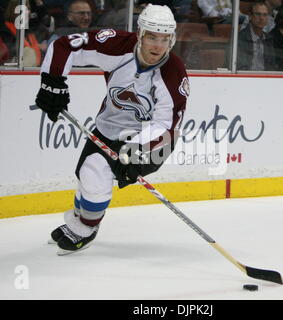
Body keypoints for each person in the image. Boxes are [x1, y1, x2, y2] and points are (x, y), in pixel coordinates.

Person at [35, 4, 189, 255]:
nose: (158, 46)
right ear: (140, 33)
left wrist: (137, 152)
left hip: (152, 141)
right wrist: (53, 82)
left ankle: (86, 227)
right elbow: (65, 46)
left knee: (95, 172)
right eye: (152, 36)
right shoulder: (118, 46)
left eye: (164, 39)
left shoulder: (174, 73)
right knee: (87, 174)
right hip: (107, 128)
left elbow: (167, 126)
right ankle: (78, 217)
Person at [237, 1, 276, 71]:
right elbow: (240, 67)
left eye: (265, 15)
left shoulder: (268, 39)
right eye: (258, 14)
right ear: (250, 16)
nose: (261, 18)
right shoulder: (240, 38)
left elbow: (272, 66)